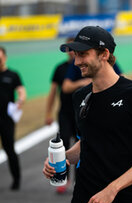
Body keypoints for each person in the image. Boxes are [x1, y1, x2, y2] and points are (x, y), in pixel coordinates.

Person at [43, 26, 132, 203]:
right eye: (75, 55)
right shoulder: (80, 96)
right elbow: (89, 140)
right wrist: (63, 158)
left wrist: (112, 189)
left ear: (104, 54)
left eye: (83, 54)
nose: (77, 61)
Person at [45, 37, 77, 194]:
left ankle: (79, 180)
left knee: (81, 146)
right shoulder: (60, 68)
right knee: (63, 146)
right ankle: (63, 178)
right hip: (64, 113)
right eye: (69, 49)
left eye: (73, 48)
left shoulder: (82, 67)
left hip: (81, 114)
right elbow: (52, 92)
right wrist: (48, 113)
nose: (71, 52)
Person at [0, 46, 26, 191]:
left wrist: (20, 101)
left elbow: (21, 91)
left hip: (6, 118)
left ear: (5, 58)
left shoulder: (12, 75)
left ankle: (16, 179)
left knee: (9, 148)